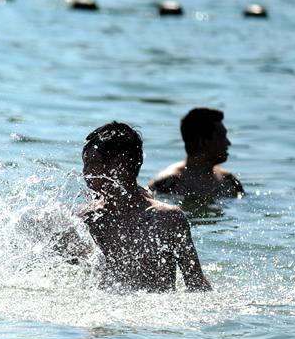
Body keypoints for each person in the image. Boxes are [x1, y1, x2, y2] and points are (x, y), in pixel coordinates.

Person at [61, 122, 211, 292]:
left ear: (119, 165)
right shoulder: (87, 220)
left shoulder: (166, 219)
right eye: (85, 163)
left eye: (93, 163)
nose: (85, 172)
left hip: (156, 313)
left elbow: (196, 284)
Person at [148, 108, 243, 198]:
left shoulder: (230, 182)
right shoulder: (168, 183)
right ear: (203, 142)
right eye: (222, 137)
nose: (228, 143)